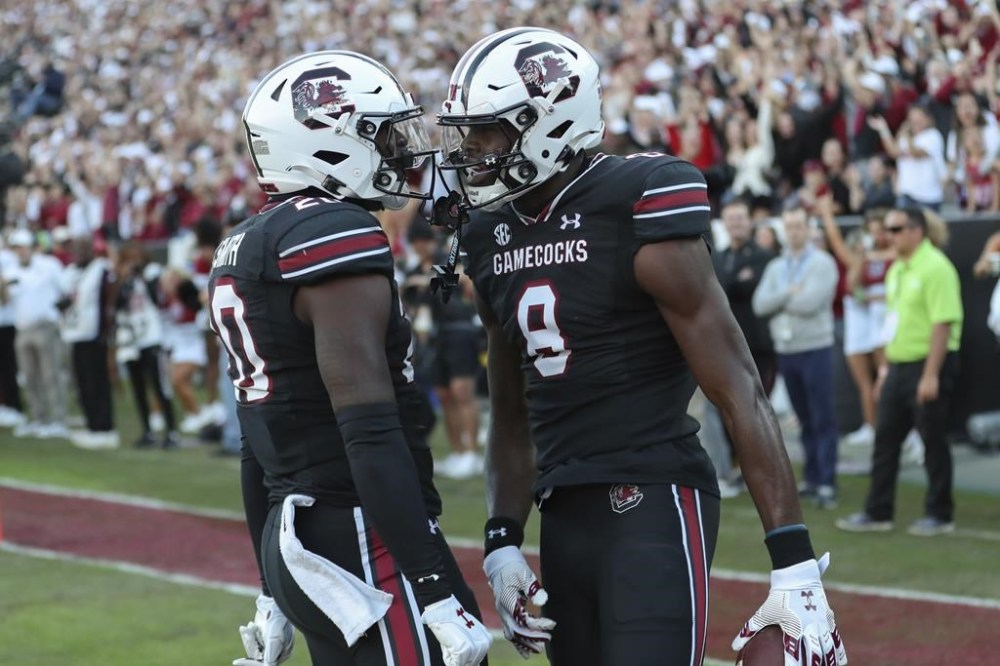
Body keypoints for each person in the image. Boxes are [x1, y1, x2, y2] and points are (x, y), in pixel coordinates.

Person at [435, 27, 846, 666]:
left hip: (654, 494)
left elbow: (738, 385)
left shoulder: (637, 198)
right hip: (562, 507)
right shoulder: (489, 236)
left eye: (488, 131)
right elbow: (511, 413)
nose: (472, 151)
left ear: (549, 123)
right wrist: (502, 541)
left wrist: (793, 561)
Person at [208, 51, 490, 666]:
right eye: (383, 136)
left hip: (296, 533)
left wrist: (269, 588)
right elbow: (369, 427)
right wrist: (434, 589)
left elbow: (255, 442)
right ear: (329, 143)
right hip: (361, 536)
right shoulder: (332, 232)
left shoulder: (247, 239)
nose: (400, 152)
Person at [837, 207, 963, 537]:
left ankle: (940, 513)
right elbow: (893, 324)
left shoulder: (936, 267)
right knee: (885, 440)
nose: (888, 236)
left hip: (928, 363)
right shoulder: (897, 270)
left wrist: (931, 374)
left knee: (933, 441)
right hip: (897, 365)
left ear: (916, 231)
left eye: (895, 229)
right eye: (887, 230)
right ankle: (878, 511)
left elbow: (943, 324)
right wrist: (884, 372)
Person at [752, 208, 841, 509]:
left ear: (808, 228)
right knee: (803, 418)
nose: (794, 232)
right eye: (789, 226)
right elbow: (760, 304)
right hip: (787, 349)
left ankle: (827, 481)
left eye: (799, 226)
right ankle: (813, 478)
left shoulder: (822, 263)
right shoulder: (777, 266)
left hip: (815, 347)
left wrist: (781, 298)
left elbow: (810, 303)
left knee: (822, 416)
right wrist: (789, 292)